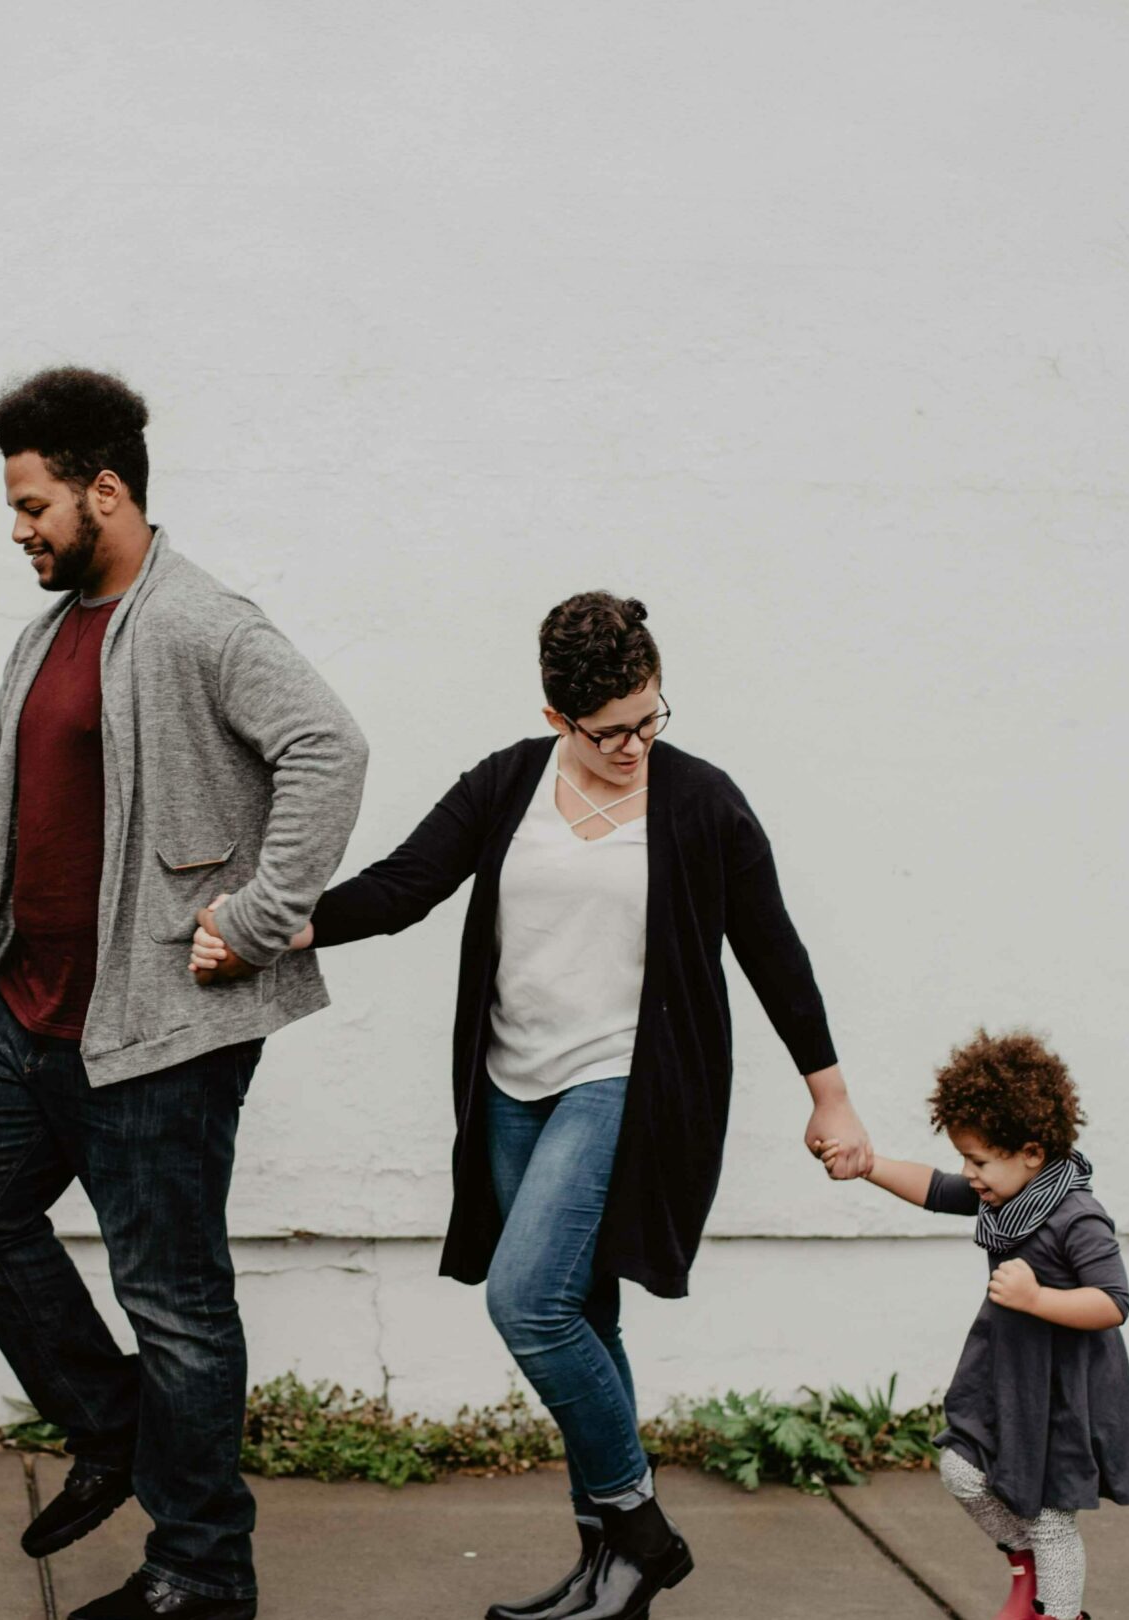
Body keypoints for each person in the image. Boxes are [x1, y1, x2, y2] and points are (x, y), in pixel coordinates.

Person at [192, 591, 872, 1620]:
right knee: (585, 1315)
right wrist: (268, 930)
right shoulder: (510, 783)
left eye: (652, 719)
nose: (635, 745)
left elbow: (773, 951)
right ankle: (610, 1573)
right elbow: (402, 887)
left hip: (625, 1083)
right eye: (610, 732)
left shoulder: (702, 803)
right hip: (512, 1086)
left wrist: (833, 1101)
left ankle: (638, 1525)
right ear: (558, 718)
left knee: (528, 1302)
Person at [0, 367, 367, 1620]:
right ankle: (115, 1431)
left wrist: (260, 922)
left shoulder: (202, 622)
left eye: (33, 503)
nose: (18, 529)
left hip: (156, 1031)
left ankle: (203, 1571)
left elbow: (331, 748)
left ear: (106, 490)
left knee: (175, 1301)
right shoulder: (51, 628)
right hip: (28, 1006)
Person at [827, 1028, 1129, 1620]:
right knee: (961, 1469)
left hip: (1060, 1392)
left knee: (1050, 1516)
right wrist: (868, 1165)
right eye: (964, 1157)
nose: (968, 1172)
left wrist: (1037, 1300)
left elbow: (1113, 1301)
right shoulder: (1002, 1197)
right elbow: (932, 1189)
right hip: (1007, 1379)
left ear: (1031, 1152)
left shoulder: (1078, 1215)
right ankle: (1023, 1565)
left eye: (978, 1159)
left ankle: (1059, 1612)